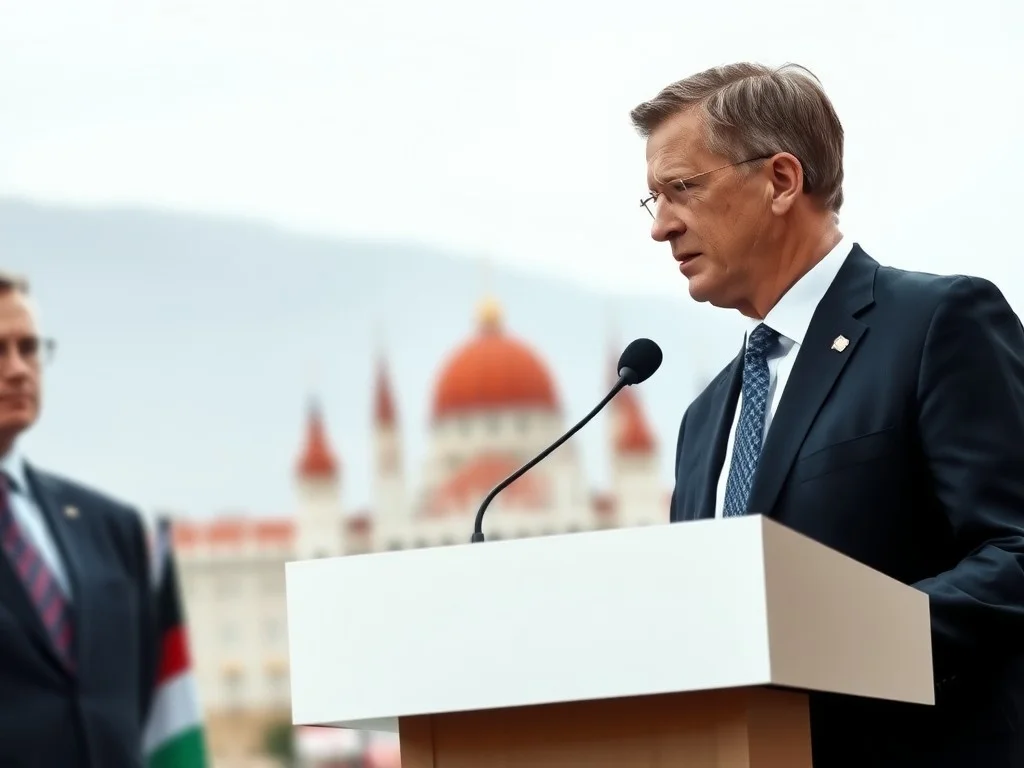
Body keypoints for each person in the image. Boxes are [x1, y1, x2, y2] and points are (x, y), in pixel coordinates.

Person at [631, 62, 1024, 767]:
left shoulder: (937, 324)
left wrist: (846, 640)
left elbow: (1015, 551)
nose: (661, 227)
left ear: (782, 180)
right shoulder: (703, 419)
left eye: (683, 187)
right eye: (652, 199)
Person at [0, 270, 158, 767]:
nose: (17, 369)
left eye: (29, 348)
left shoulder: (113, 528)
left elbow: (139, 695)